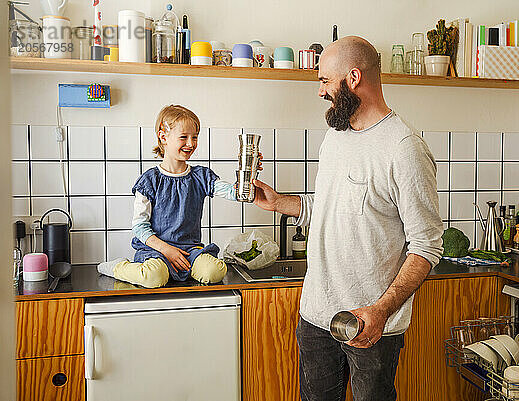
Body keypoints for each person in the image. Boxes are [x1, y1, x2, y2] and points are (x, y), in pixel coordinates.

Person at [252, 37, 444, 401]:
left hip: (369, 324)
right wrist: (280, 203)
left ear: (353, 78)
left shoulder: (404, 149)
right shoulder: (336, 136)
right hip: (316, 315)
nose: (320, 90)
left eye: (325, 80)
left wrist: (381, 311)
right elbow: (330, 207)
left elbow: (427, 246)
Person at [98, 105, 237, 288]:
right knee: (153, 277)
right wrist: (167, 250)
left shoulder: (201, 176)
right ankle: (117, 267)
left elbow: (234, 192)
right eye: (183, 137)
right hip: (156, 250)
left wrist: (250, 173)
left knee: (215, 271)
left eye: (194, 137)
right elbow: (140, 227)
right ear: (163, 137)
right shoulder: (150, 180)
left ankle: (174, 270)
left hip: (189, 251)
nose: (191, 143)